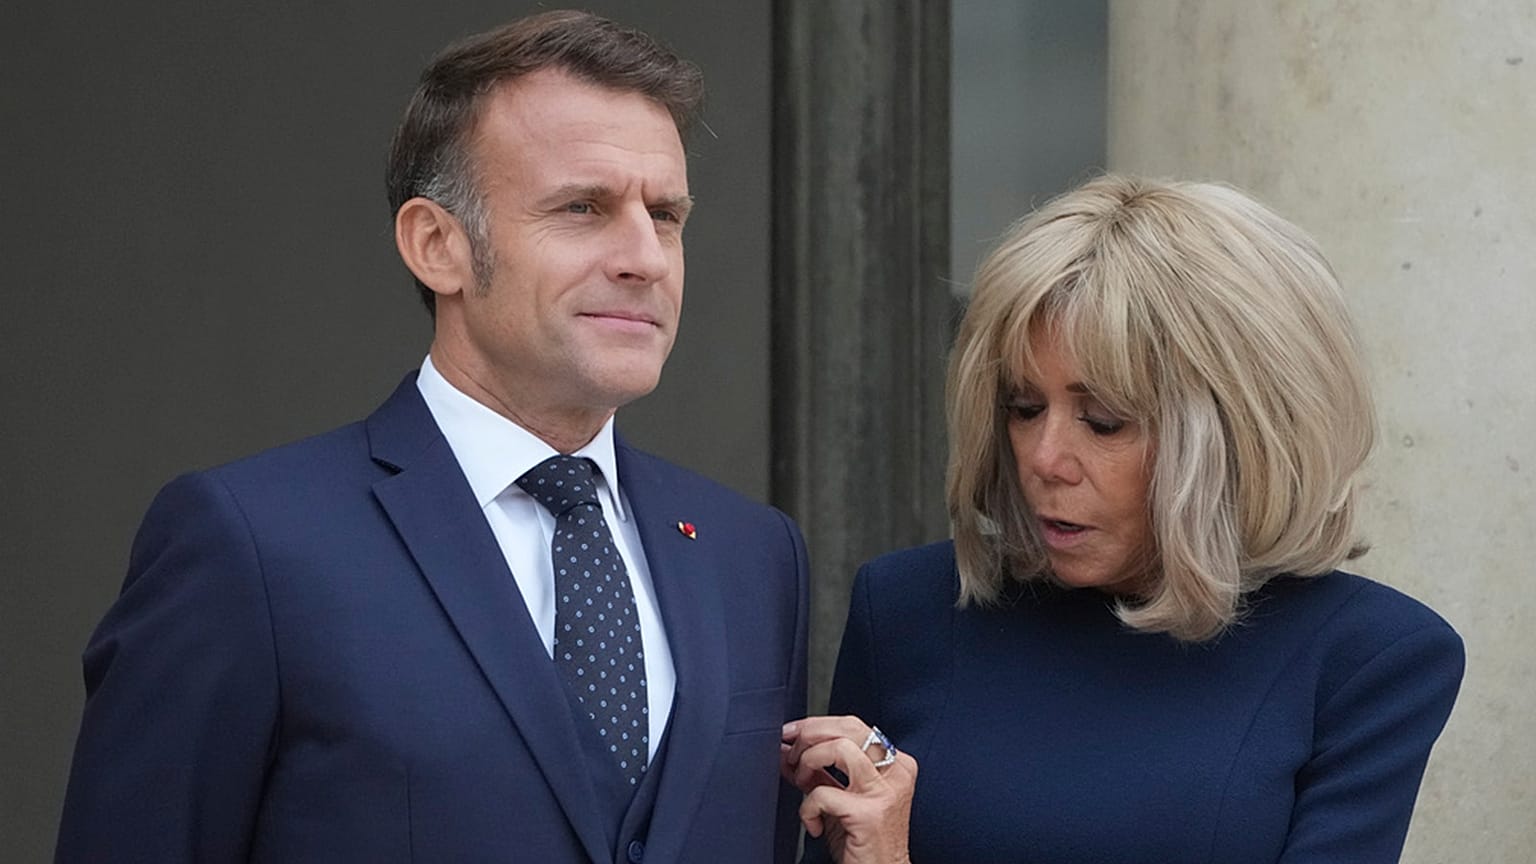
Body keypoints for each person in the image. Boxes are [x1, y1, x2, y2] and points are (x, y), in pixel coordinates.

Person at [56, 11, 808, 864]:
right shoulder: (248, 545)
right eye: (582, 207)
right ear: (436, 245)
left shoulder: (752, 555)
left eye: (666, 215)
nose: (647, 257)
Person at [783, 174, 1464, 863]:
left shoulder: (1373, 659)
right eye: (1023, 408)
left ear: (1243, 433)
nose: (1045, 459)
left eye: (1103, 421)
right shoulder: (907, 611)